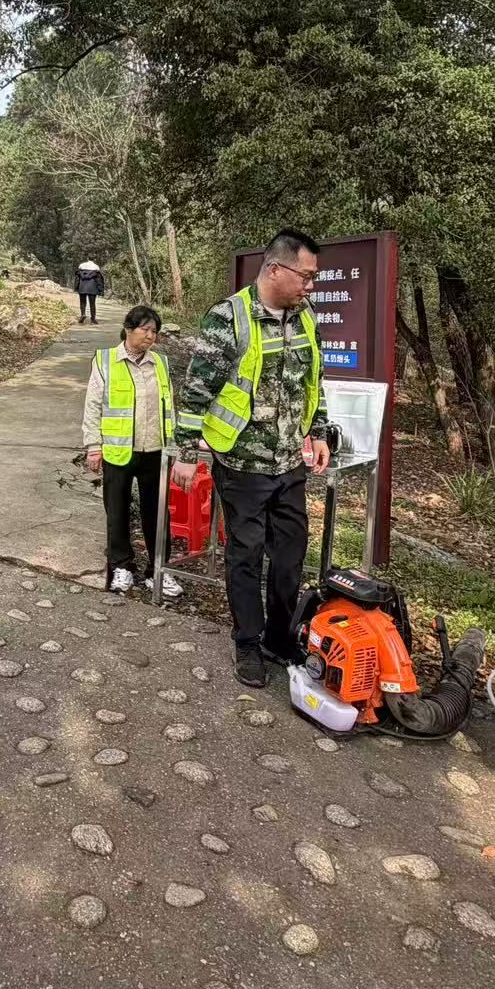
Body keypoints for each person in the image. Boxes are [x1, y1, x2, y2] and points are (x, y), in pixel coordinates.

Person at [172, 229, 331, 688]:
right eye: (305, 276)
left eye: (314, 278)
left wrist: (319, 431)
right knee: (246, 556)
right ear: (275, 269)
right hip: (241, 464)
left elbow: (313, 379)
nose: (310, 286)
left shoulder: (305, 317)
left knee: (290, 556)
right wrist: (187, 452)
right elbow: (197, 388)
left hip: (289, 462)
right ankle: (247, 642)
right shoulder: (229, 317)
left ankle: (279, 639)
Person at [82, 305, 182, 599]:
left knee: (157, 514)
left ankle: (158, 570)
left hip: (155, 451)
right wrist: (93, 446)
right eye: (145, 329)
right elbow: (93, 405)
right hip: (117, 450)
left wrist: (174, 446)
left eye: (154, 331)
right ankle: (121, 566)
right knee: (117, 511)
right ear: (128, 329)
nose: (150, 336)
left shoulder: (160, 363)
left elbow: (170, 408)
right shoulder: (105, 361)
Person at [75, 259, 104, 324]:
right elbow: (99, 280)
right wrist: (100, 290)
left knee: (82, 302)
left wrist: (76, 287)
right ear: (94, 259)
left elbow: (77, 278)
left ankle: (83, 314)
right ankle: (93, 319)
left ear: (88, 258)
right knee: (92, 304)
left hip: (82, 287)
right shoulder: (96, 267)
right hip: (92, 288)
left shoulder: (81, 266)